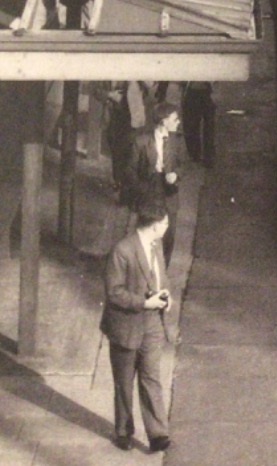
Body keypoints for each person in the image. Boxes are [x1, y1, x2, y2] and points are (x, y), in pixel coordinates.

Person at [99, 203, 173, 453]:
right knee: (124, 382)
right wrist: (144, 302)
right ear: (154, 225)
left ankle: (158, 434)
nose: (167, 227)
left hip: (152, 323)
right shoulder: (122, 250)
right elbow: (114, 293)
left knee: (151, 377)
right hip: (126, 326)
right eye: (165, 223)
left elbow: (161, 278)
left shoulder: (156, 246)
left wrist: (165, 295)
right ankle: (123, 431)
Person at [125, 101, 181, 265]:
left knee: (168, 238)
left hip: (169, 195)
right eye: (175, 119)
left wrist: (176, 175)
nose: (178, 122)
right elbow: (130, 170)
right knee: (146, 235)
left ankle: (162, 275)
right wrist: (142, 190)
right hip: (148, 193)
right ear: (164, 121)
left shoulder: (175, 141)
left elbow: (181, 165)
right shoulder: (142, 141)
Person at [181, 81, 215, 167]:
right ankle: (202, 156)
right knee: (206, 127)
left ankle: (199, 156)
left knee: (195, 126)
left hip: (197, 91)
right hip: (199, 90)